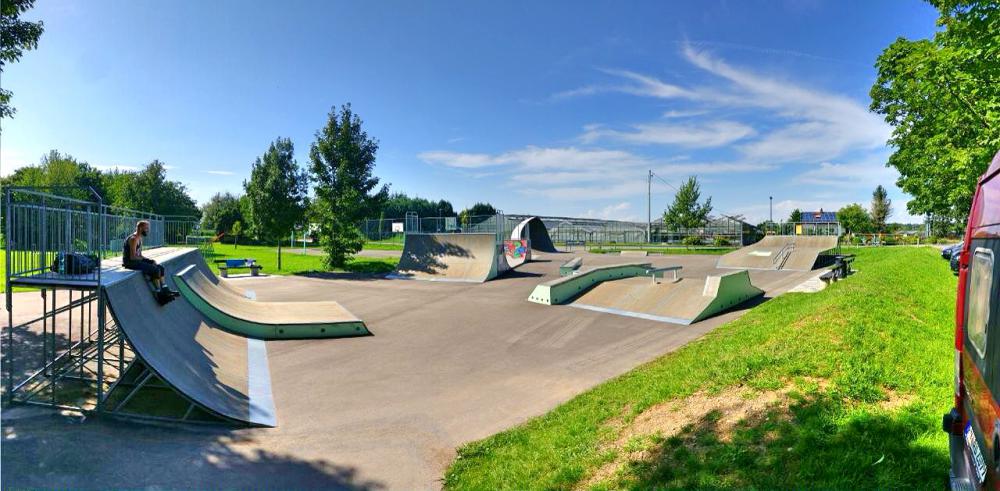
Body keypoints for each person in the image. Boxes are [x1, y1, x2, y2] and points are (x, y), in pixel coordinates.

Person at [123, 220, 175, 303]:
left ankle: (165, 290)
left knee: (160, 267)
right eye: (146, 228)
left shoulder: (139, 238)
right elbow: (132, 257)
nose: (148, 230)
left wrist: (149, 260)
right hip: (130, 263)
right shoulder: (133, 239)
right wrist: (147, 261)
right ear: (140, 228)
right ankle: (159, 294)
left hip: (136, 261)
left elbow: (139, 255)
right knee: (154, 270)